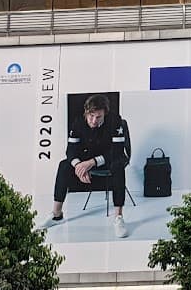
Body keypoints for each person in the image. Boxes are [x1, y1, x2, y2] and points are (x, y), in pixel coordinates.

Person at [44, 94, 133, 239]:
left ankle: (118, 217)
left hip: (109, 158)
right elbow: (70, 151)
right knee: (64, 165)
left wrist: (92, 162)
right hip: (86, 159)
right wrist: (79, 165)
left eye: (98, 117)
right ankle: (56, 214)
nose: (93, 120)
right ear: (86, 112)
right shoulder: (78, 122)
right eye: (91, 116)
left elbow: (117, 151)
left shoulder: (115, 120)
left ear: (105, 112)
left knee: (118, 166)